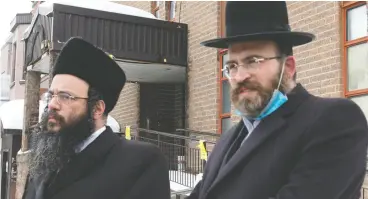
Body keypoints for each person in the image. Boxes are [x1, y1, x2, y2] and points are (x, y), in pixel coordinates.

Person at [187, 2, 368, 199]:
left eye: (253, 61)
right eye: (232, 65)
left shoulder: (333, 120)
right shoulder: (229, 138)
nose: (239, 76)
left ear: (288, 67)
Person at [22, 37, 171, 199]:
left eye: (65, 96)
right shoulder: (45, 158)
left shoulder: (141, 163)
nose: (52, 105)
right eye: (51, 95)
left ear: (97, 109)